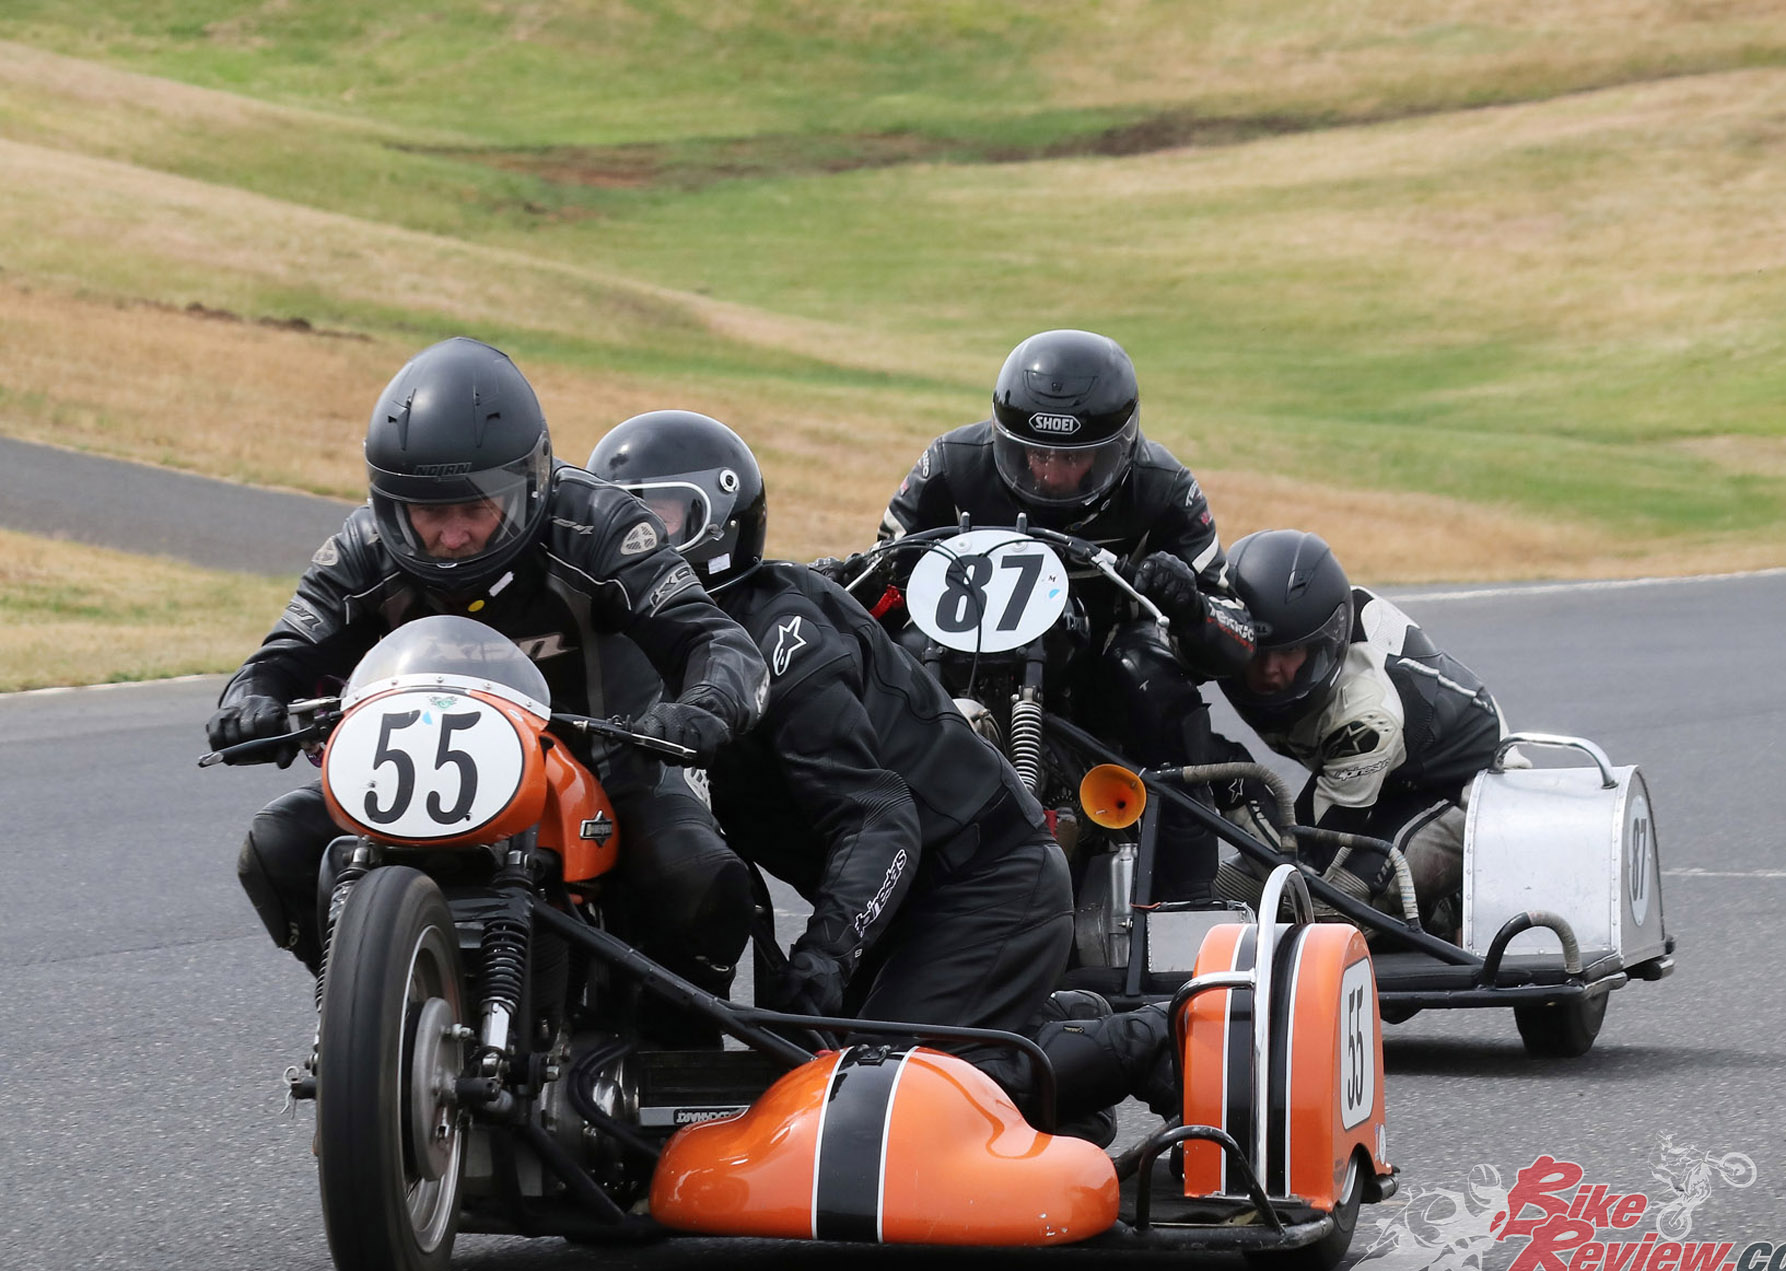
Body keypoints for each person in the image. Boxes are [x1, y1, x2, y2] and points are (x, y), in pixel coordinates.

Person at [589, 410, 1175, 1139]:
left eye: (662, 518)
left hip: (983, 879)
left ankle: (1151, 1041)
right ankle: (1057, 1039)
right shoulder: (632, 642)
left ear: (722, 521)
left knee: (885, 1098)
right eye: (627, 524)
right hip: (895, 898)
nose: (643, 543)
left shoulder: (783, 638)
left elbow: (880, 819)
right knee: (815, 1080)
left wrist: (824, 957)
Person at [207, 339, 768, 1009]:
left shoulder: (600, 525)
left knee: (696, 877)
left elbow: (719, 642)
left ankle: (676, 1028)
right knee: (278, 845)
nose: (452, 536)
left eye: (474, 509)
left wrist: (701, 706)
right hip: (414, 773)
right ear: (391, 505)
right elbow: (281, 655)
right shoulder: (362, 547)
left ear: (530, 486)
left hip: (612, 769)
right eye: (429, 513)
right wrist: (251, 700)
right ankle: (375, 1003)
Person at [856, 328, 1256, 898]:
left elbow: (1236, 635)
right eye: (1034, 453)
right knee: (898, 661)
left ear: (1119, 447)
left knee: (1149, 677)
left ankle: (1182, 895)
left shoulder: (1165, 488)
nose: (1049, 473)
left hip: (1097, 677)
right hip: (966, 655)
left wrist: (1187, 604)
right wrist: (868, 583)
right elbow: (873, 588)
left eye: (1073, 457)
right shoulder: (948, 466)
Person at [1214, 529, 1506, 935]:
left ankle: (1444, 909)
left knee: (1325, 909)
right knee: (1222, 891)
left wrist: (1233, 782)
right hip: (1379, 782)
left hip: (1467, 792)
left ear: (1324, 642)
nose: (1268, 672)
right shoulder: (1242, 643)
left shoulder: (1366, 714)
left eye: (1288, 651)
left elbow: (1305, 866)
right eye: (1257, 650)